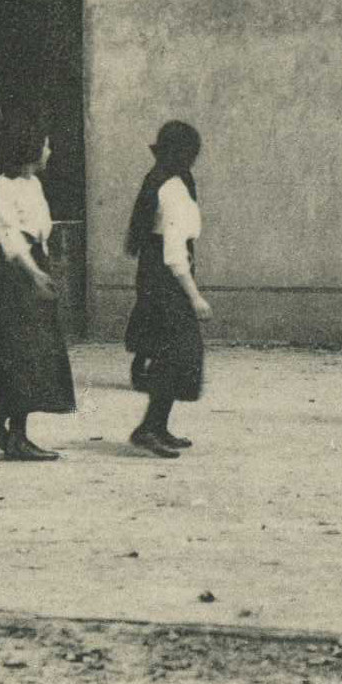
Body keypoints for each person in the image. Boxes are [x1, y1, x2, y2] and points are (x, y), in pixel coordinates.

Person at [0, 120, 74, 461]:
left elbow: (39, 231)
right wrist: (33, 273)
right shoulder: (0, 187)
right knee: (18, 351)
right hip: (13, 274)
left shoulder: (33, 184)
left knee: (35, 352)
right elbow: (7, 237)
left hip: (33, 265)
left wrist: (44, 265)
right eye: (45, 145)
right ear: (30, 148)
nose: (49, 151)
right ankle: (15, 435)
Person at [121, 120, 212, 458]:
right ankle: (148, 428)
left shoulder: (159, 180)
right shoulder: (172, 188)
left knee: (170, 354)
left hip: (154, 276)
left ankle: (157, 426)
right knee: (176, 355)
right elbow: (174, 253)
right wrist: (195, 296)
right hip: (167, 280)